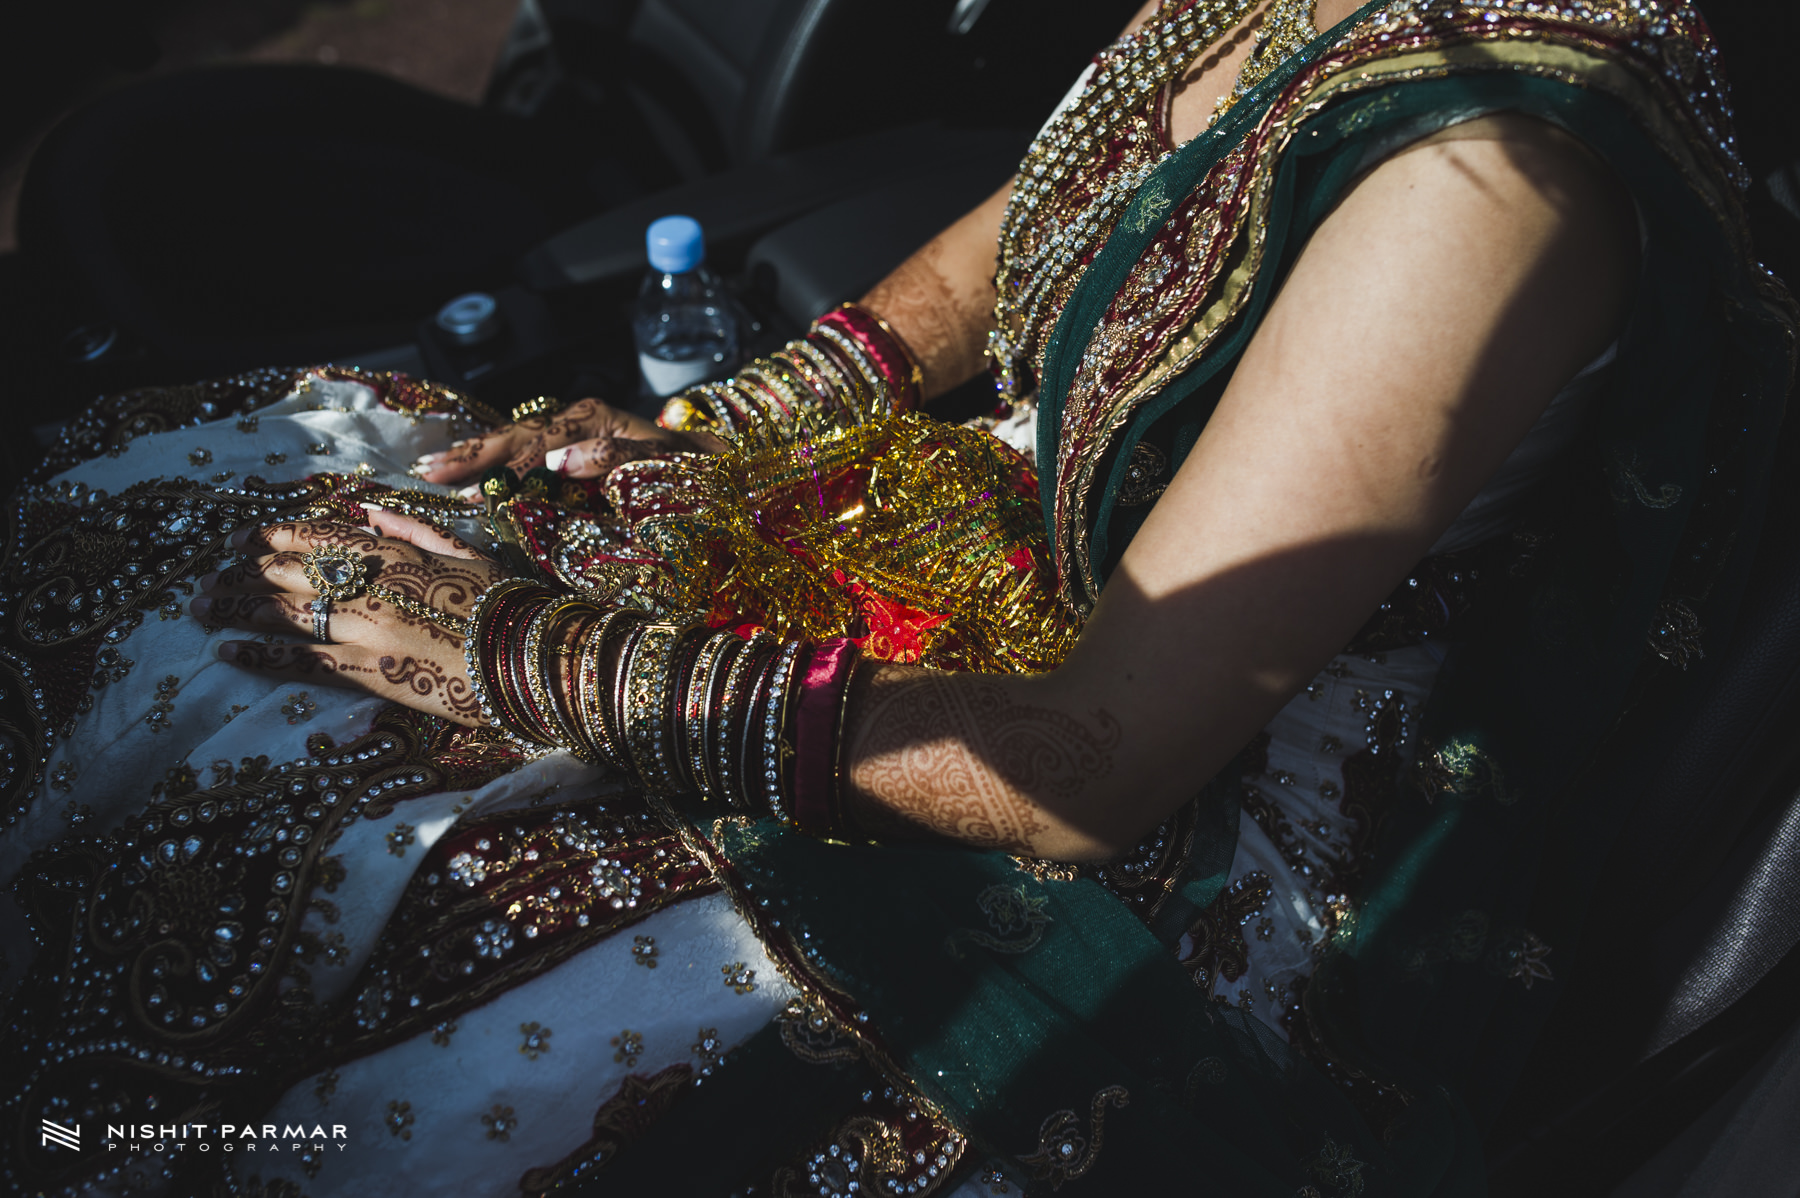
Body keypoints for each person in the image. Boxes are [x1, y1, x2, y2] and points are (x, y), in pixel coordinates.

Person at [2, 0, 1791, 1194]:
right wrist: (727, 425)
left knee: (386, 905)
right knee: (180, 522)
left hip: (1156, 827)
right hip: (979, 560)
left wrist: (515, 650)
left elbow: (1087, 764)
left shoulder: (1487, 189)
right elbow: (1040, 211)